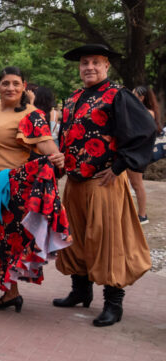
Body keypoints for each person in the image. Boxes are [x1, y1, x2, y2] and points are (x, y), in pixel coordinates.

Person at [54, 44, 156, 327]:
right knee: (74, 237)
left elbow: (145, 130)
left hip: (104, 181)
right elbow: (67, 135)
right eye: (85, 62)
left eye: (96, 62)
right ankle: (80, 290)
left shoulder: (117, 96)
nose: (89, 67)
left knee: (108, 240)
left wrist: (119, 165)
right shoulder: (73, 98)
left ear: (106, 66)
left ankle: (113, 302)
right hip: (75, 181)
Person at [0, 66, 69, 320]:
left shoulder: (31, 115)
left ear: (24, 87)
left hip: (8, 186)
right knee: (3, 241)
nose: (10, 88)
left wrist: (58, 157)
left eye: (16, 84)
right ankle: (11, 293)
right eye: (5, 83)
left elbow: (46, 146)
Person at [130, 85, 161, 224]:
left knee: (137, 184)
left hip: (137, 153)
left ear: (141, 98)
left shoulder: (148, 113)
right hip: (132, 152)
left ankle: (142, 215)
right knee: (129, 183)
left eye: (134, 95)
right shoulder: (139, 111)